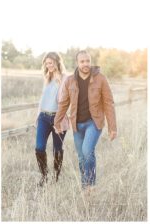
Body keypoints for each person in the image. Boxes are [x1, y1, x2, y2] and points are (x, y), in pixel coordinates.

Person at [54, 50, 117, 192]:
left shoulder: (101, 79)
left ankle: (91, 185)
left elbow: (108, 103)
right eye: (82, 61)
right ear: (77, 63)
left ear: (91, 62)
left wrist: (112, 127)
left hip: (94, 123)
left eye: (88, 61)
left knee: (87, 151)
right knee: (82, 158)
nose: (85, 64)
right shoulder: (70, 81)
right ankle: (85, 187)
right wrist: (57, 122)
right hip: (77, 124)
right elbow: (63, 103)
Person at [35, 52, 69, 187]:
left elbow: (68, 101)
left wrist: (59, 119)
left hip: (58, 118)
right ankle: (44, 176)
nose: (48, 66)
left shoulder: (66, 78)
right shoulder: (47, 77)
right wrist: (38, 115)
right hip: (43, 117)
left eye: (51, 63)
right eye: (46, 63)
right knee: (39, 147)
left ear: (57, 62)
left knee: (57, 149)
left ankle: (56, 176)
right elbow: (43, 98)